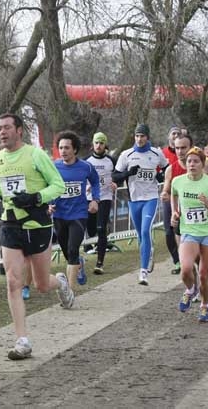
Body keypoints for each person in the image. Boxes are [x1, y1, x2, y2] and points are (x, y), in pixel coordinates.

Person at [0, 112, 70, 361]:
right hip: (10, 224)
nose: (2, 132)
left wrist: (37, 197)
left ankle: (59, 282)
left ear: (19, 130)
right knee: (13, 281)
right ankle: (22, 340)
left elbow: (58, 185)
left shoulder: (36, 155)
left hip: (37, 224)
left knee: (41, 285)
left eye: (7, 127)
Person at [171, 147, 208, 323]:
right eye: (189, 161)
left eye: (196, 161)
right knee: (186, 270)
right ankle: (190, 289)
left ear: (203, 164)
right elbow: (174, 196)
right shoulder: (178, 181)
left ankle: (204, 306)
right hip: (189, 231)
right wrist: (175, 212)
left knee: (204, 274)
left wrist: (207, 204)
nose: (192, 164)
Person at [113, 123, 168, 285]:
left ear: (147, 137)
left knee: (145, 231)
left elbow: (167, 169)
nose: (139, 139)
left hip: (150, 198)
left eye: (142, 136)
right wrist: (128, 173)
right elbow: (115, 176)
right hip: (134, 200)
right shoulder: (126, 154)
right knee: (140, 235)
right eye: (137, 136)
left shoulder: (156, 153)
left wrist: (160, 176)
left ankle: (143, 272)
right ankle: (148, 251)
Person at [162, 134, 208, 275]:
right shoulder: (171, 169)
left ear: (191, 148)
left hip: (202, 219)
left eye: (183, 148)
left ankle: (201, 279)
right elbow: (168, 191)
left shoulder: (203, 166)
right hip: (183, 218)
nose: (180, 151)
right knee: (185, 259)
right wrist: (165, 196)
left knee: (199, 259)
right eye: (177, 148)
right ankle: (190, 282)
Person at [51, 131, 100, 291]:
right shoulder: (54, 166)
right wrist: (48, 204)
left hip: (79, 214)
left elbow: (95, 182)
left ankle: (69, 291)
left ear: (75, 150)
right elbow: (46, 186)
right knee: (67, 251)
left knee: (72, 249)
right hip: (59, 214)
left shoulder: (85, 166)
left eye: (66, 148)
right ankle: (79, 263)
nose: (63, 151)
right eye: (60, 148)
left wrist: (95, 199)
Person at [83, 132, 117, 275]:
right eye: (96, 143)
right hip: (89, 198)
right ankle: (85, 251)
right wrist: (85, 186)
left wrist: (115, 182)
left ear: (105, 145)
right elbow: (80, 177)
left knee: (101, 228)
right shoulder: (86, 161)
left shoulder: (111, 160)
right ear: (93, 144)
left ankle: (99, 263)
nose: (98, 145)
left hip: (105, 197)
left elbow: (119, 172)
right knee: (90, 229)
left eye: (101, 143)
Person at [160, 126, 182, 273]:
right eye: (173, 133)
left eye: (178, 134)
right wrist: (164, 192)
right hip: (170, 197)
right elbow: (158, 173)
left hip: (186, 197)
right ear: (168, 136)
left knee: (182, 231)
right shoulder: (163, 153)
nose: (175, 136)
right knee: (169, 232)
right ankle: (177, 261)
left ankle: (186, 259)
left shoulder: (191, 154)